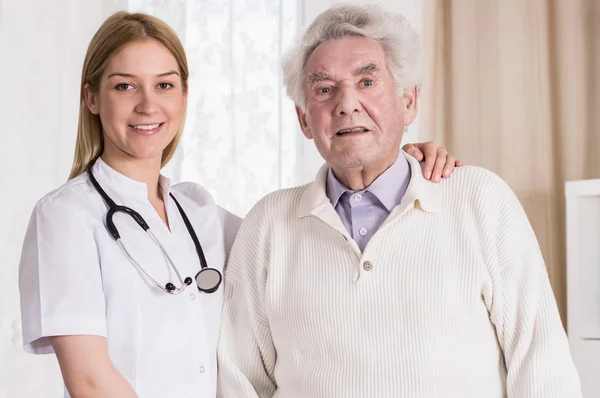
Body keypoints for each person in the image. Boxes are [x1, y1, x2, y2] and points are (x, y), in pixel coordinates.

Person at [17, 10, 458, 398]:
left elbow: (309, 238)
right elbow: (91, 383)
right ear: (92, 97)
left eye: (164, 85)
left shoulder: (199, 212)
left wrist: (396, 163)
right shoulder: (66, 216)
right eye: (125, 86)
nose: (147, 104)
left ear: (184, 98)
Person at [216, 4, 583, 398]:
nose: (346, 103)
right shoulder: (268, 222)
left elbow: (543, 368)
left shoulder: (480, 199)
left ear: (409, 101)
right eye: (324, 89)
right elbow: (241, 380)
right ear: (305, 120)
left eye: (367, 82)